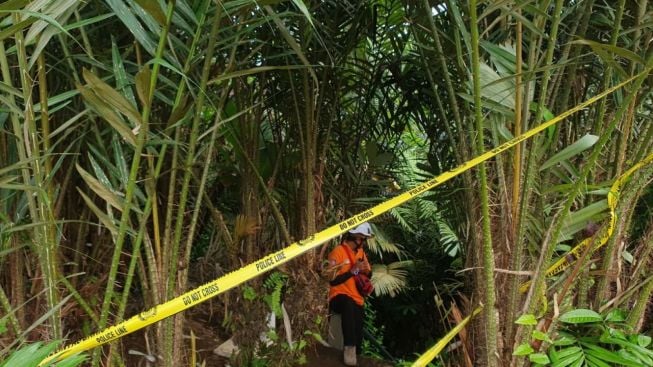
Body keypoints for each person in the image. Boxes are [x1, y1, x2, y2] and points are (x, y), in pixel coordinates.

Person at [325, 222, 373, 366]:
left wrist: (365, 271)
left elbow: (369, 274)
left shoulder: (361, 253)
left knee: (358, 326)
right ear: (356, 238)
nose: (363, 242)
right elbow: (332, 281)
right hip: (338, 297)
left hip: (357, 299)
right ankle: (349, 351)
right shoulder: (337, 252)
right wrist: (352, 271)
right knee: (348, 303)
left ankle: (356, 353)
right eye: (362, 238)